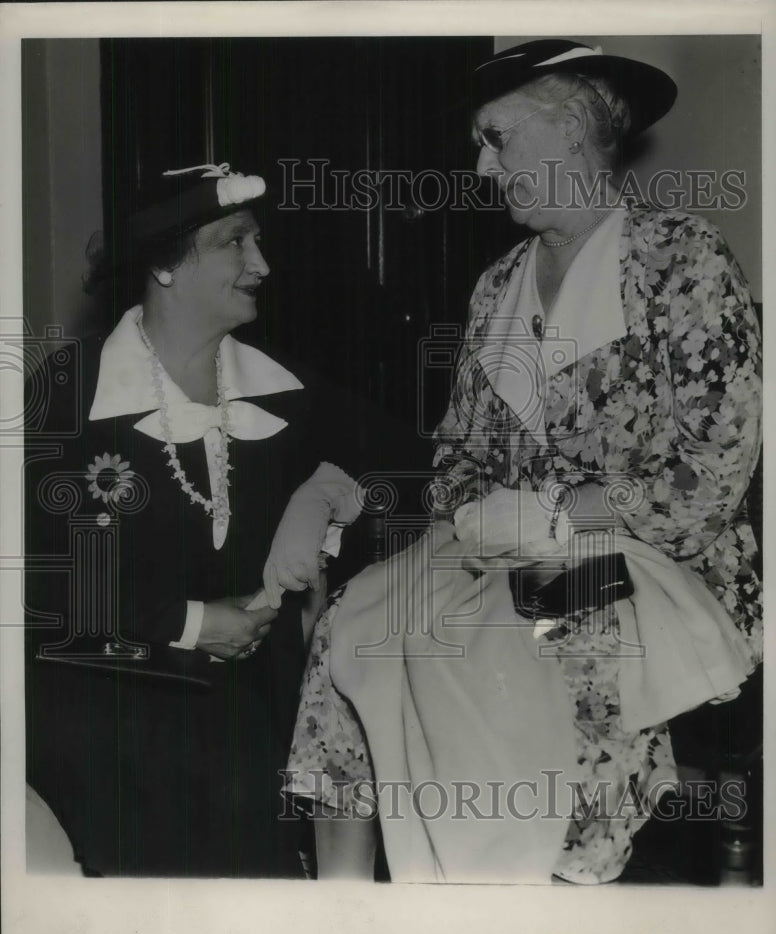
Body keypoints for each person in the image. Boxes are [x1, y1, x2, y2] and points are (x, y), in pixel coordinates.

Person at [284, 40, 763, 884]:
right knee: (356, 620)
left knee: (537, 621)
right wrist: (478, 514)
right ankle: (347, 919)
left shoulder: (680, 260)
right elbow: (460, 458)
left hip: (656, 561)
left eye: (496, 138)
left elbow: (715, 472)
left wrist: (562, 516)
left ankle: (536, 900)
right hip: (497, 548)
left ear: (572, 129)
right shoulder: (496, 283)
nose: (480, 165)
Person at [25, 163, 364, 876]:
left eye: (259, 242)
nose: (262, 264)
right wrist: (190, 622)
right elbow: (37, 583)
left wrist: (326, 494)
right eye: (236, 242)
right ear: (163, 265)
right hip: (104, 707)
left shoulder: (286, 389)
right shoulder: (67, 393)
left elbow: (419, 467)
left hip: (253, 713)